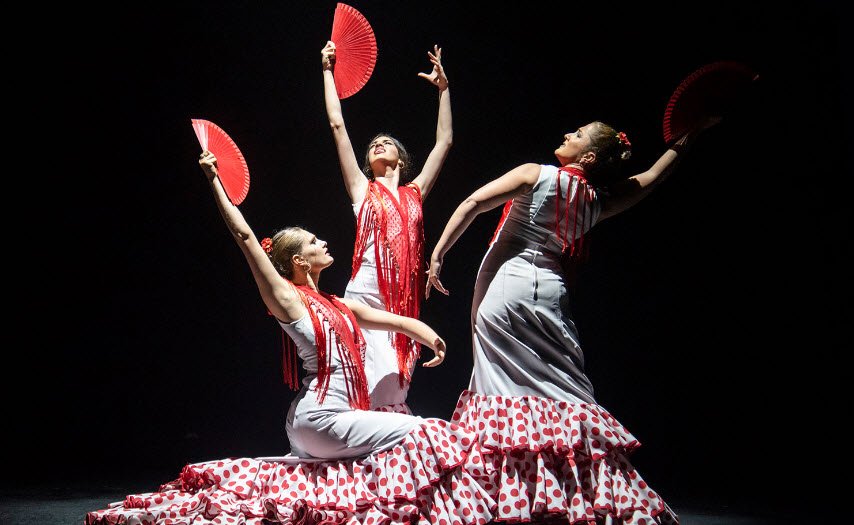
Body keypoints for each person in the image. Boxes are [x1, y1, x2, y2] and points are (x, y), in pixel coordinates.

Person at [85, 151, 494, 525]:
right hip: (320, 419)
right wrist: (214, 181)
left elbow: (395, 322)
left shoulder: (339, 303)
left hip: (322, 421)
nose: (325, 243)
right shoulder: (288, 299)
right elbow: (245, 238)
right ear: (299, 261)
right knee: (423, 431)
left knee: (397, 439)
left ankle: (393, 511)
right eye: (315, 243)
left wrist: (431, 337)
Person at [426, 120, 718, 524]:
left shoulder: (535, 173)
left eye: (577, 135)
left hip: (508, 285)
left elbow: (475, 202)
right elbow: (651, 178)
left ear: (589, 156)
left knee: (501, 387)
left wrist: (439, 253)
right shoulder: (599, 200)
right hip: (550, 290)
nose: (566, 135)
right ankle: (578, 493)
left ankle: (510, 495)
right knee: (561, 387)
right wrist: (690, 136)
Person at [321, 40, 452, 414]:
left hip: (404, 301)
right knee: (364, 386)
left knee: (394, 389)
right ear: (367, 162)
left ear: (401, 158)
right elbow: (336, 125)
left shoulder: (415, 193)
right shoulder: (362, 190)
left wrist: (443, 90)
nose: (378, 145)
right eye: (373, 145)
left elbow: (444, 142)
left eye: (386, 143)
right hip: (364, 294)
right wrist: (328, 71)